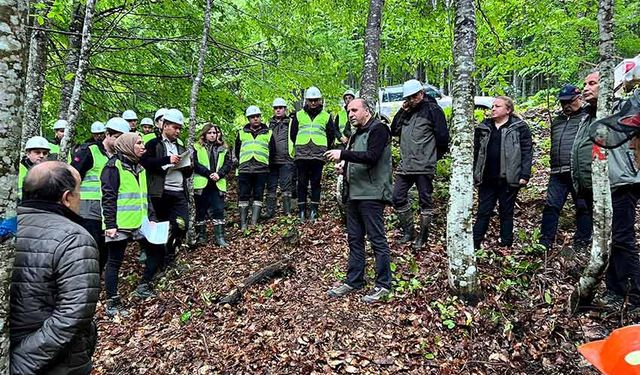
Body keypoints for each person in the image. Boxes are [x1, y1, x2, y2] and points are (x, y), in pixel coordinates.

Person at [12, 161, 100, 374]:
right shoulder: (74, 238)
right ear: (67, 198)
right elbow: (73, 315)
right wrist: (21, 363)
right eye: (79, 192)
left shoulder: (7, 227)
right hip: (55, 362)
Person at [325, 98, 393, 303]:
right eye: (348, 111)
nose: (351, 114)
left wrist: (342, 154)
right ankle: (354, 280)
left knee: (377, 239)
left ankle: (383, 285)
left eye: (354, 110)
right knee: (354, 238)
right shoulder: (356, 133)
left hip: (372, 194)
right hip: (354, 194)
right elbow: (357, 158)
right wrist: (344, 166)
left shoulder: (379, 129)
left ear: (367, 110)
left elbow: (372, 156)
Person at [101, 132, 164, 317]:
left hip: (140, 221)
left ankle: (143, 285)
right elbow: (108, 197)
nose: (143, 146)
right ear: (128, 146)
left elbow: (145, 196)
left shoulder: (140, 167)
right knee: (114, 261)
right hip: (120, 224)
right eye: (138, 143)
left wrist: (151, 217)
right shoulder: (113, 167)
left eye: (143, 143)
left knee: (157, 250)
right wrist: (110, 224)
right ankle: (112, 302)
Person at [391, 79, 449, 249]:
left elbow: (443, 139)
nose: (411, 100)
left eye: (414, 96)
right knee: (397, 197)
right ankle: (409, 232)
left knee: (425, 200)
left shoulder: (433, 110)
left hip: (424, 164)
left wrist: (432, 158)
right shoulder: (407, 111)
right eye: (408, 97)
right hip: (406, 164)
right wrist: (402, 111)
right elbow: (394, 130)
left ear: (422, 93)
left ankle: (422, 237)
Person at [473, 96, 533, 249]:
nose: (493, 109)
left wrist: (524, 175)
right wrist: (474, 173)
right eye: (492, 106)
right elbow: (476, 151)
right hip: (487, 179)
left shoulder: (519, 127)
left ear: (508, 110)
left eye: (497, 106)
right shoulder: (484, 127)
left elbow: (527, 151)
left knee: (506, 212)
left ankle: (506, 245)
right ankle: (474, 243)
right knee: (483, 212)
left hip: (508, 178)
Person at [71, 117, 130, 273]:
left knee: (104, 250)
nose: (119, 142)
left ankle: (95, 279)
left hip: (109, 210)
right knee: (88, 248)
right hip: (88, 209)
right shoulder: (88, 151)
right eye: (117, 138)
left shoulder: (121, 158)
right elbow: (72, 177)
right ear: (107, 134)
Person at [539, 84, 593, 251]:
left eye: (569, 102)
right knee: (551, 206)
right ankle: (544, 243)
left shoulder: (588, 117)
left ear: (579, 99)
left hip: (578, 172)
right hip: (557, 172)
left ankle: (581, 243)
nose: (566, 106)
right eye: (563, 103)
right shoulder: (557, 120)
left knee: (583, 207)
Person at [140, 108, 192, 266]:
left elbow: (188, 174)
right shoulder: (153, 144)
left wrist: (188, 165)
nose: (178, 131)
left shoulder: (181, 147)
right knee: (161, 229)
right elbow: (146, 163)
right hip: (160, 193)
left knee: (182, 225)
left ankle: (170, 251)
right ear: (165, 126)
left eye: (179, 128)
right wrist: (167, 160)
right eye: (175, 127)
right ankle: (160, 260)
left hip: (178, 192)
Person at [290, 86, 336, 221]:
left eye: (316, 100)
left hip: (318, 154)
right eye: (311, 100)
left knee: (316, 182)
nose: (313, 103)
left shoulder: (326, 116)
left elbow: (330, 135)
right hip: (302, 154)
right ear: (306, 101)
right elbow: (293, 134)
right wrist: (301, 144)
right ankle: (302, 210)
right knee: (302, 182)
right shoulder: (298, 115)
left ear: (320, 100)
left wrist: (322, 147)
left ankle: (314, 210)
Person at [234, 105, 275, 230]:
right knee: (243, 195)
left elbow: (272, 151)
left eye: (257, 116)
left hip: (261, 168)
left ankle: (254, 222)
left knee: (258, 194)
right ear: (248, 119)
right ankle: (243, 223)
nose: (255, 119)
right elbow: (237, 151)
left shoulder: (268, 133)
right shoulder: (241, 133)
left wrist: (267, 163)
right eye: (253, 117)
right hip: (245, 168)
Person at [193, 123, 232, 246]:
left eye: (214, 133)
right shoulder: (196, 147)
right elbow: (195, 163)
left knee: (218, 209)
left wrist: (219, 174)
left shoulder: (223, 148)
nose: (212, 135)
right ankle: (201, 237)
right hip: (202, 183)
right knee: (201, 210)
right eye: (209, 133)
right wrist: (208, 173)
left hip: (217, 183)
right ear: (204, 134)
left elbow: (228, 164)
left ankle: (220, 237)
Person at [264, 97, 295, 218]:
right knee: (271, 186)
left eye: (280, 108)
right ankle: (270, 212)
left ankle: (287, 211)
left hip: (286, 159)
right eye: (276, 108)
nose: (278, 110)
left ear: (285, 109)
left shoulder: (291, 123)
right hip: (271, 161)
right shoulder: (267, 125)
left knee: (286, 186)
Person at [18, 136, 51, 200]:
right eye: (37, 152)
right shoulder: (19, 169)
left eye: (45, 153)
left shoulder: (50, 171)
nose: (41, 156)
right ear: (28, 153)